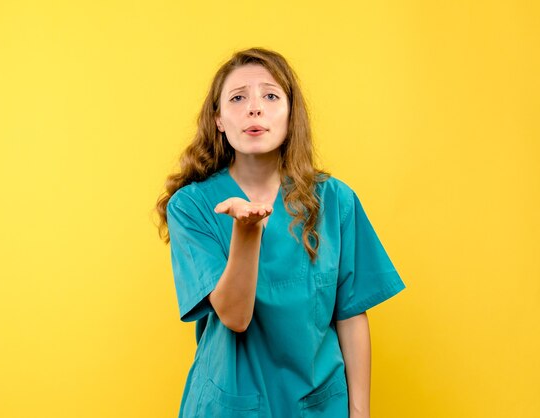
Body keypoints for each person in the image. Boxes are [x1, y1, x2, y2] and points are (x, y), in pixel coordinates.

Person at [156, 47, 406, 418]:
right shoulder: (191, 206)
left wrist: (360, 413)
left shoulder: (335, 201)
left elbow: (350, 314)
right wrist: (247, 231)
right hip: (230, 406)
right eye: (238, 98)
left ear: (292, 115)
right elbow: (236, 318)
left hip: (320, 405)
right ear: (219, 120)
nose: (254, 108)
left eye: (270, 96)